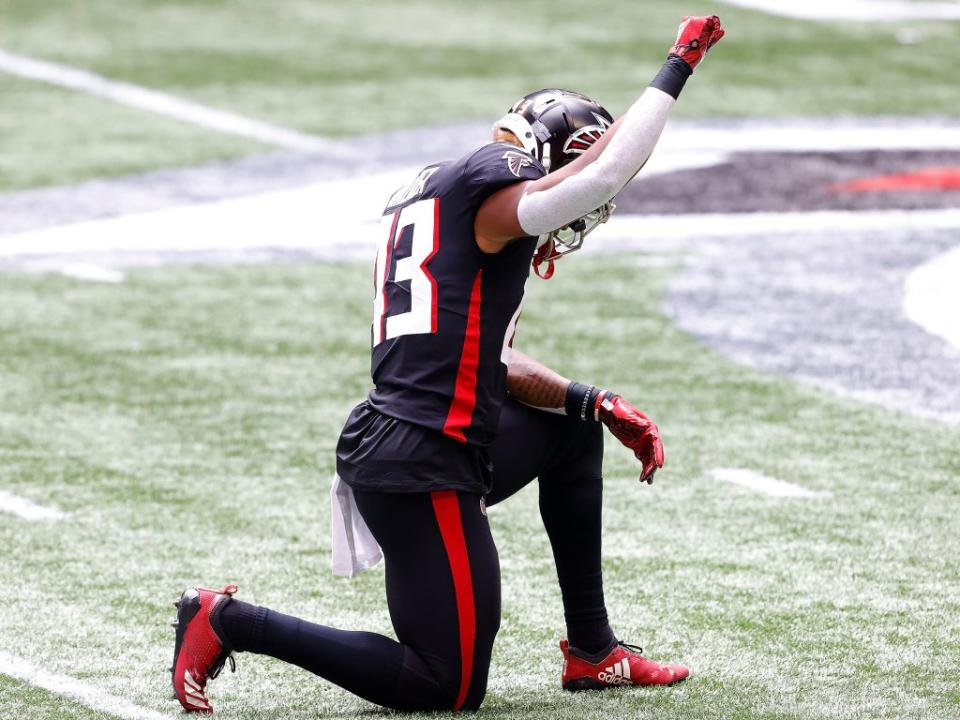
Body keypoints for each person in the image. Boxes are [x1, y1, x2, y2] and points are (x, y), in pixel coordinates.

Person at [169, 15, 725, 713]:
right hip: (420, 455)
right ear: (536, 155)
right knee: (448, 684)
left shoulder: (445, 193)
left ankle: (593, 651)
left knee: (572, 425)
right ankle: (226, 621)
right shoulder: (490, 187)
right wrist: (678, 65)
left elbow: (492, 358)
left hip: (430, 437)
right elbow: (603, 171)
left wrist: (593, 400)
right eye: (563, 166)